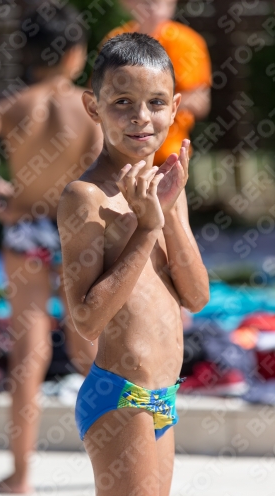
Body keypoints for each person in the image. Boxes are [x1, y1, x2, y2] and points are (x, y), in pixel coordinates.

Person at [0, 4, 101, 494]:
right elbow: (105, 173)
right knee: (91, 354)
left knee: (28, 358)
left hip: (25, 234)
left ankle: (20, 476)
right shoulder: (90, 105)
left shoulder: (12, 104)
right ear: (76, 54)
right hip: (73, 232)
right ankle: (119, 466)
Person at [58, 33, 210, 496]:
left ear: (175, 106)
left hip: (165, 397)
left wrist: (167, 213)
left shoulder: (166, 186)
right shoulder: (86, 198)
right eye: (122, 101)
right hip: (121, 395)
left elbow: (197, 297)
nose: (141, 117)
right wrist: (146, 228)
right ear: (93, 106)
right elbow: (86, 320)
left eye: (156, 102)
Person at [103, 0, 212, 165]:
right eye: (150, 2)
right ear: (129, 1)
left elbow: (200, 102)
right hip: (121, 155)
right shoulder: (115, 40)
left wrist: (134, 104)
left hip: (167, 156)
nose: (160, 10)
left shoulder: (187, 41)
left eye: (168, 4)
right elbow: (101, 98)